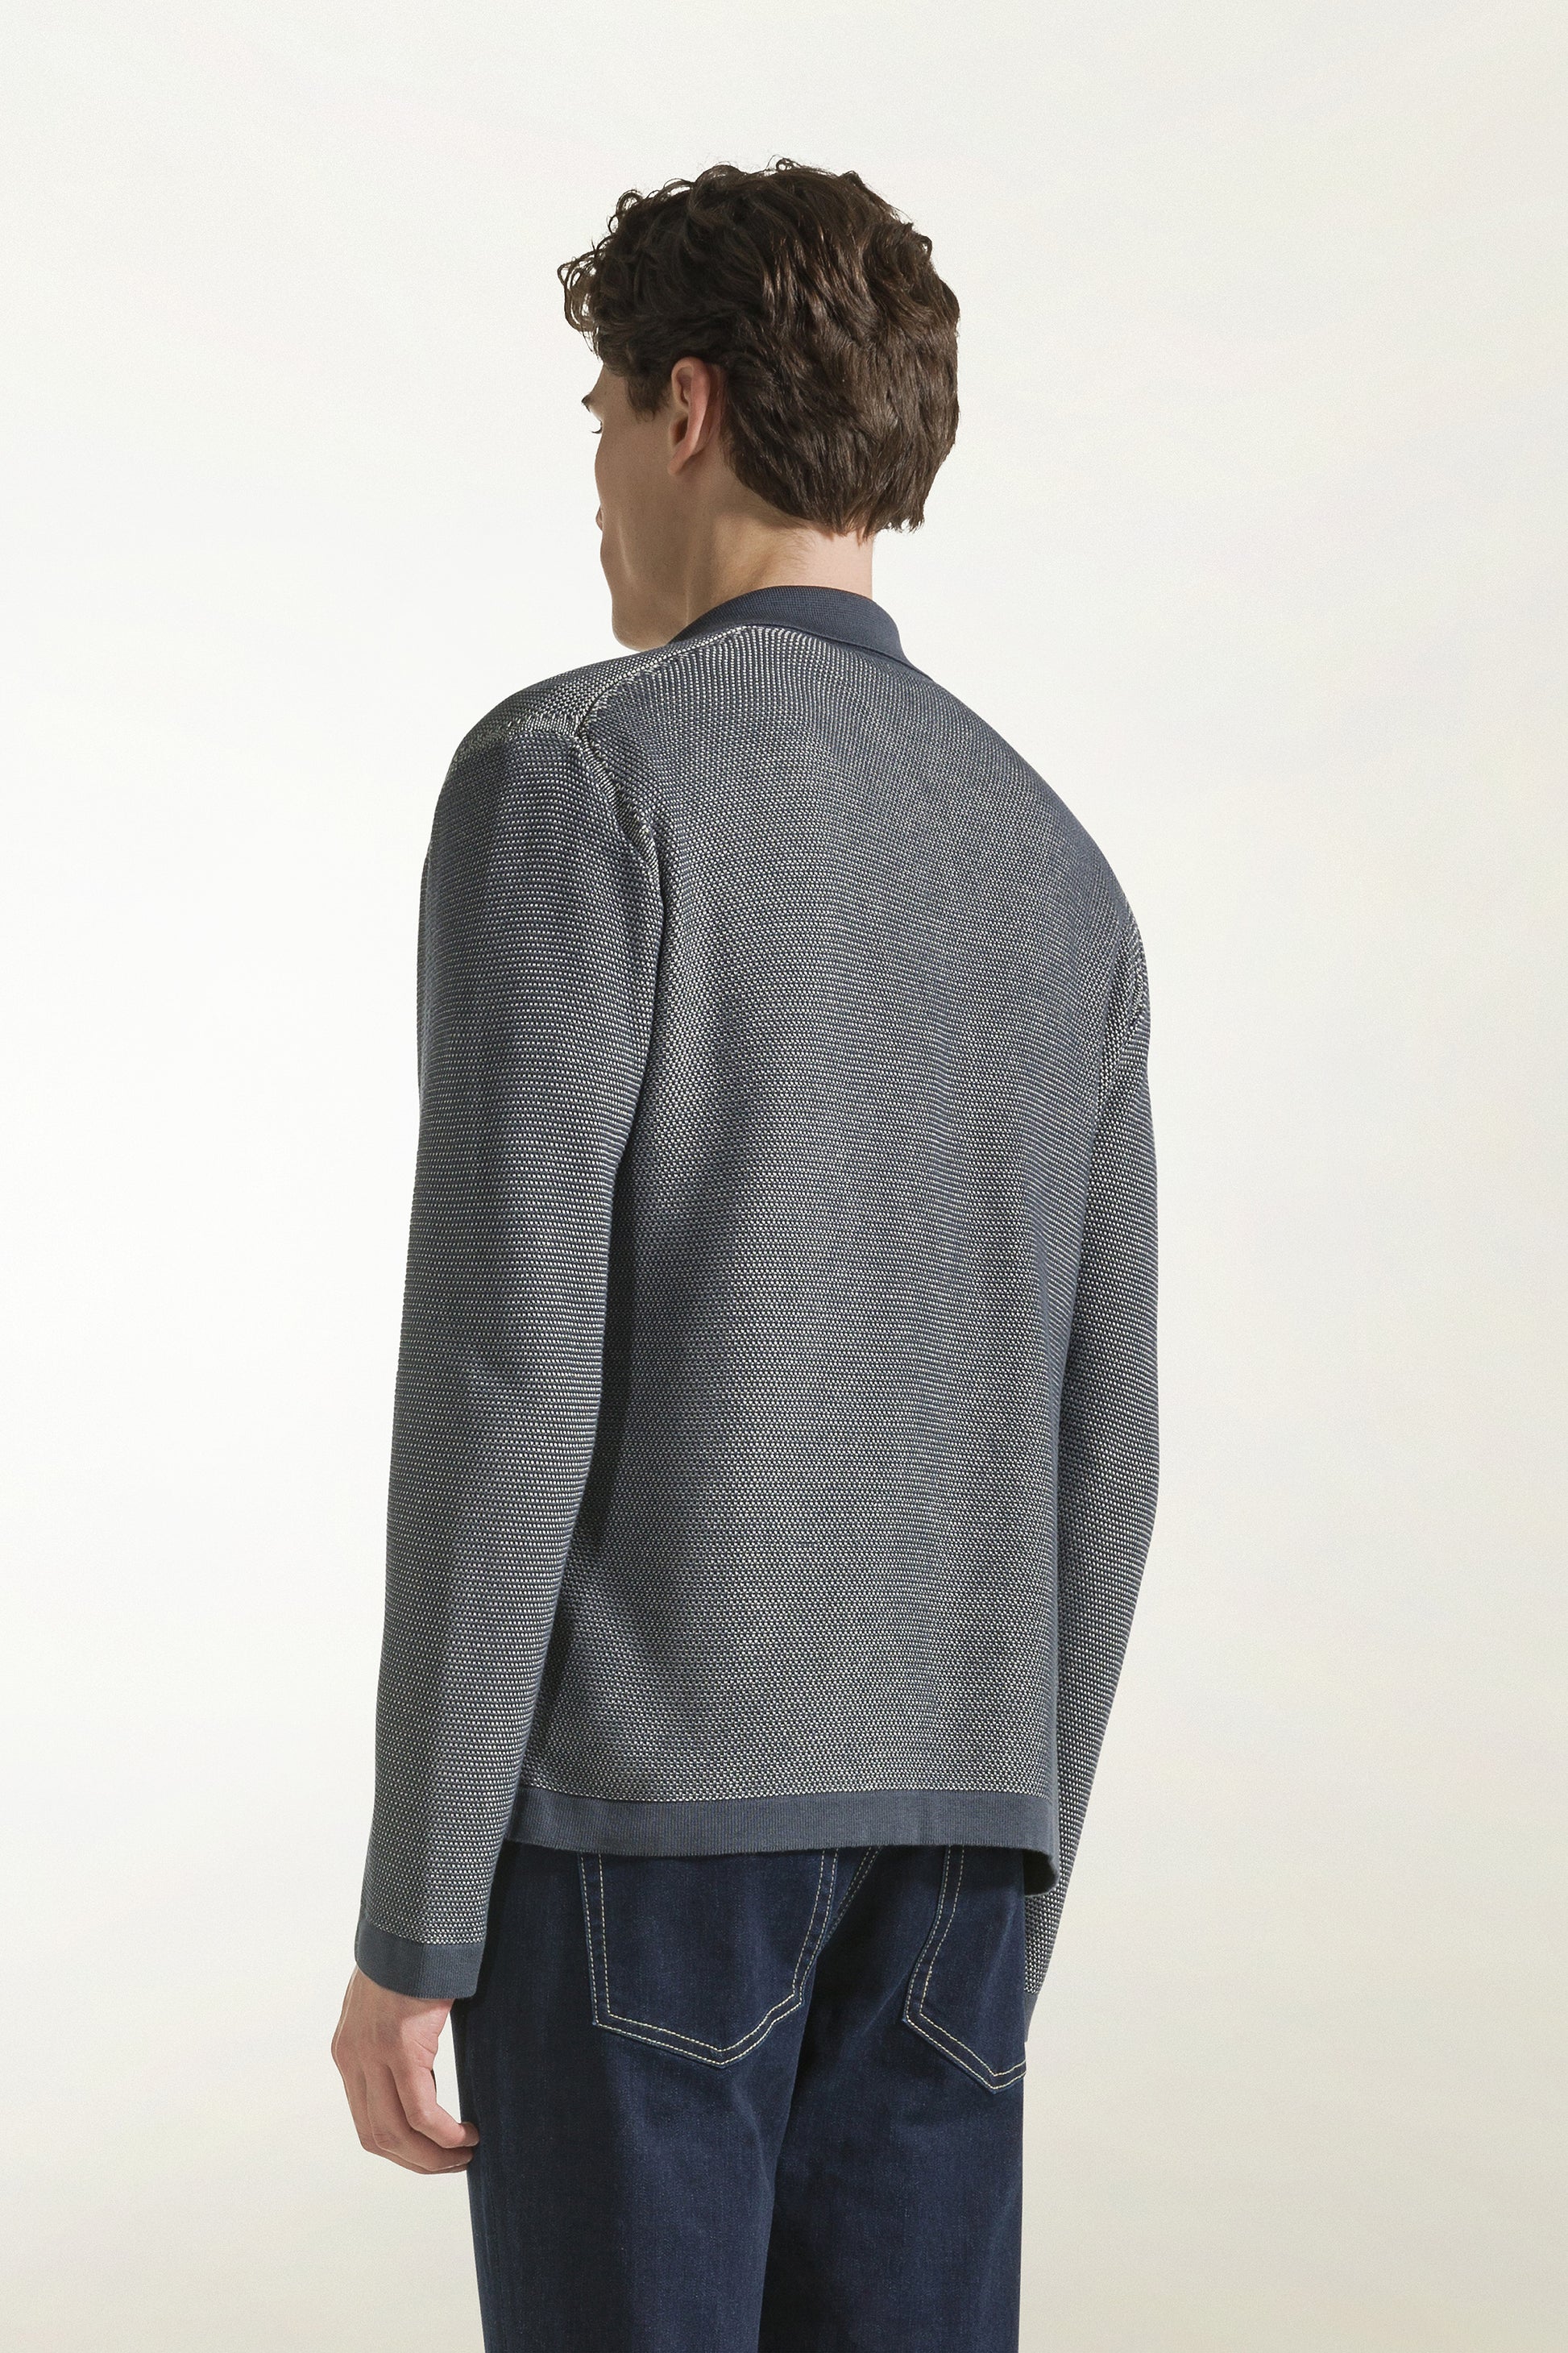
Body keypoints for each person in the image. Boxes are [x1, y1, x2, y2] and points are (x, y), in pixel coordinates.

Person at [331, 159, 1159, 2352]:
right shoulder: (1057, 866)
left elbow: (507, 1375)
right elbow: (1108, 1448)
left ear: (682, 405)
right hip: (961, 1849)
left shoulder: (580, 778)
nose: (599, 481)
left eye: (603, 414)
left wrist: (417, 1920)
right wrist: (1015, 1874)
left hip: (646, 1844)